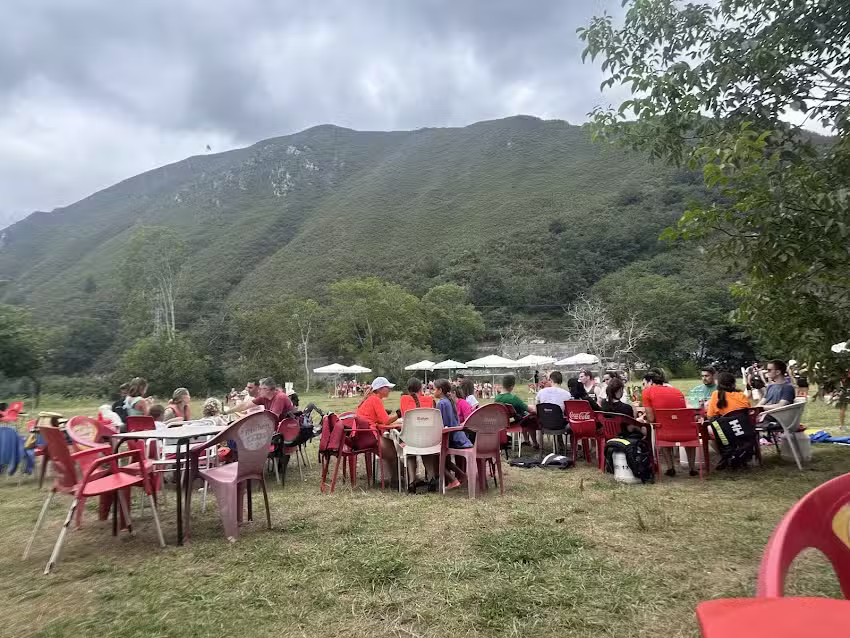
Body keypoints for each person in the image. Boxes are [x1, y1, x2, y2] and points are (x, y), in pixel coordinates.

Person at [641, 368, 692, 477]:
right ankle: (692, 468)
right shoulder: (677, 391)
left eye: (644, 383)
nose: (644, 386)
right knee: (666, 425)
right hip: (687, 433)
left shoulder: (647, 392)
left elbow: (651, 419)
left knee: (659, 427)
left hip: (665, 435)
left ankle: (670, 467)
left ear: (651, 382)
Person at [355, 377, 400, 483]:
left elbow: (379, 420)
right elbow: (386, 421)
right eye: (387, 388)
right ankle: (396, 480)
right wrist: (399, 414)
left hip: (362, 435)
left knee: (393, 449)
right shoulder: (375, 399)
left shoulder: (370, 398)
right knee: (395, 450)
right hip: (369, 435)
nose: (390, 390)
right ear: (380, 389)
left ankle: (396, 478)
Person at [434, 378, 472, 490]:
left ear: (440, 390)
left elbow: (443, 425)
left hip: (452, 438)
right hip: (458, 436)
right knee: (444, 459)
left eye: (434, 389)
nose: (432, 392)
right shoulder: (449, 401)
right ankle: (463, 476)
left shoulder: (441, 403)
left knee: (434, 458)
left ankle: (453, 480)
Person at [225, 377, 295, 423]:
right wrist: (227, 412)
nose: (259, 390)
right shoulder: (264, 397)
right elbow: (245, 405)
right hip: (278, 429)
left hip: (288, 430)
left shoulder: (280, 397)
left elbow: (273, 419)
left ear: (267, 390)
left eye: (260, 388)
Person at [494, 374, 538, 447]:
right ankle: (535, 443)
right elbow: (529, 410)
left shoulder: (497, 398)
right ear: (512, 386)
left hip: (504, 423)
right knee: (531, 419)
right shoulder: (513, 398)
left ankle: (526, 440)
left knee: (522, 415)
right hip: (516, 422)